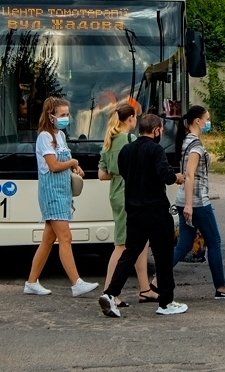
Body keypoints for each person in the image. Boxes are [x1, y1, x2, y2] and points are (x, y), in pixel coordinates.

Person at [99, 114, 187, 318]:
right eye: (161, 130)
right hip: (155, 210)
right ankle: (166, 302)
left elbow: (124, 172)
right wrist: (177, 177)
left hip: (133, 211)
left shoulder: (127, 150)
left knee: (129, 253)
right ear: (156, 130)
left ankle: (110, 293)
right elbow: (165, 175)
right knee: (163, 256)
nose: (161, 133)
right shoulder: (156, 150)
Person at [164, 105, 225, 300]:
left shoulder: (185, 140)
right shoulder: (196, 145)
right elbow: (190, 175)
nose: (208, 123)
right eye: (206, 119)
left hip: (184, 198)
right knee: (214, 241)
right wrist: (189, 205)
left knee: (183, 245)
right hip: (197, 201)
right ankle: (221, 288)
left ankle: (158, 280)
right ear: (198, 121)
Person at [24, 97, 99, 297]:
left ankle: (31, 282)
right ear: (51, 116)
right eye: (63, 115)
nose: (67, 118)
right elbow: (54, 166)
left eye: (67, 114)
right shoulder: (44, 137)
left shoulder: (61, 136)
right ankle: (76, 283)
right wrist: (73, 162)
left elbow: (62, 161)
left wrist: (75, 167)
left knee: (48, 240)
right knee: (65, 237)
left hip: (62, 192)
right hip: (52, 193)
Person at [98, 104, 156, 307]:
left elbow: (102, 174)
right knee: (122, 245)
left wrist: (117, 173)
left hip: (116, 192)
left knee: (140, 242)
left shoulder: (109, 141)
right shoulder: (130, 139)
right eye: (135, 118)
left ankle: (145, 289)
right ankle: (109, 293)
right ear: (130, 118)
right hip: (129, 194)